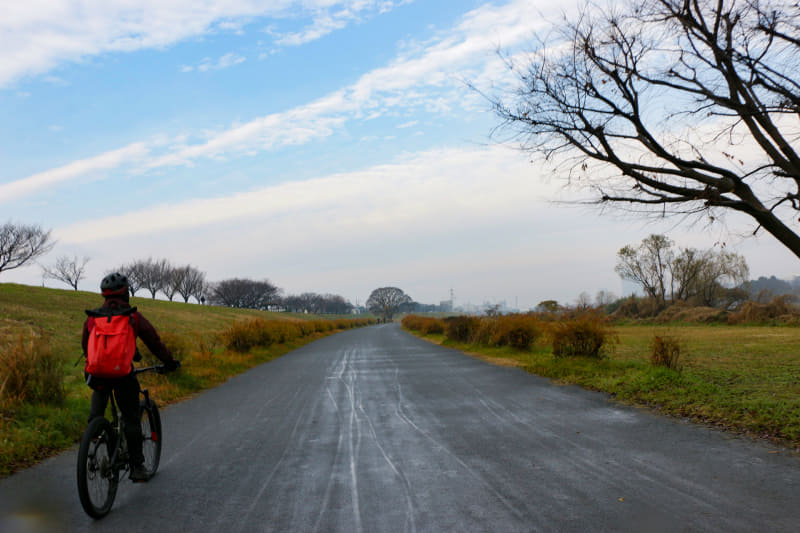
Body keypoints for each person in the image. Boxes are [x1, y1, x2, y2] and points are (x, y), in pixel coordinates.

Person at [82, 272, 180, 482]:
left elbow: (86, 345)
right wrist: (169, 362)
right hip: (123, 376)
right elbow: (153, 341)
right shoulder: (132, 317)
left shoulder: (93, 318)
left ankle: (96, 438)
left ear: (104, 295)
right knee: (131, 418)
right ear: (126, 293)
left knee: (97, 417)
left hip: (97, 375)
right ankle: (137, 467)